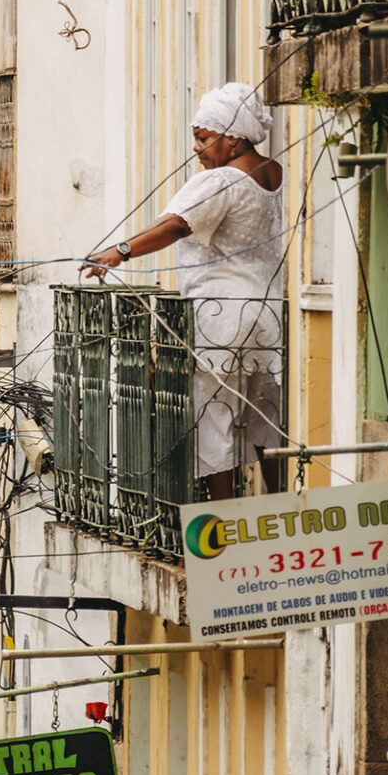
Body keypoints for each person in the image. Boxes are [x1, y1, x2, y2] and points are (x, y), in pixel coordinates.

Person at [82, 81, 283, 501]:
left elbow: (175, 225)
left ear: (233, 138)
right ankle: (277, 508)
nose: (197, 148)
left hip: (218, 318)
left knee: (214, 420)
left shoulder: (221, 181)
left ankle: (225, 522)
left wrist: (119, 251)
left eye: (204, 138)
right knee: (265, 416)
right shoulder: (272, 174)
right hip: (265, 315)